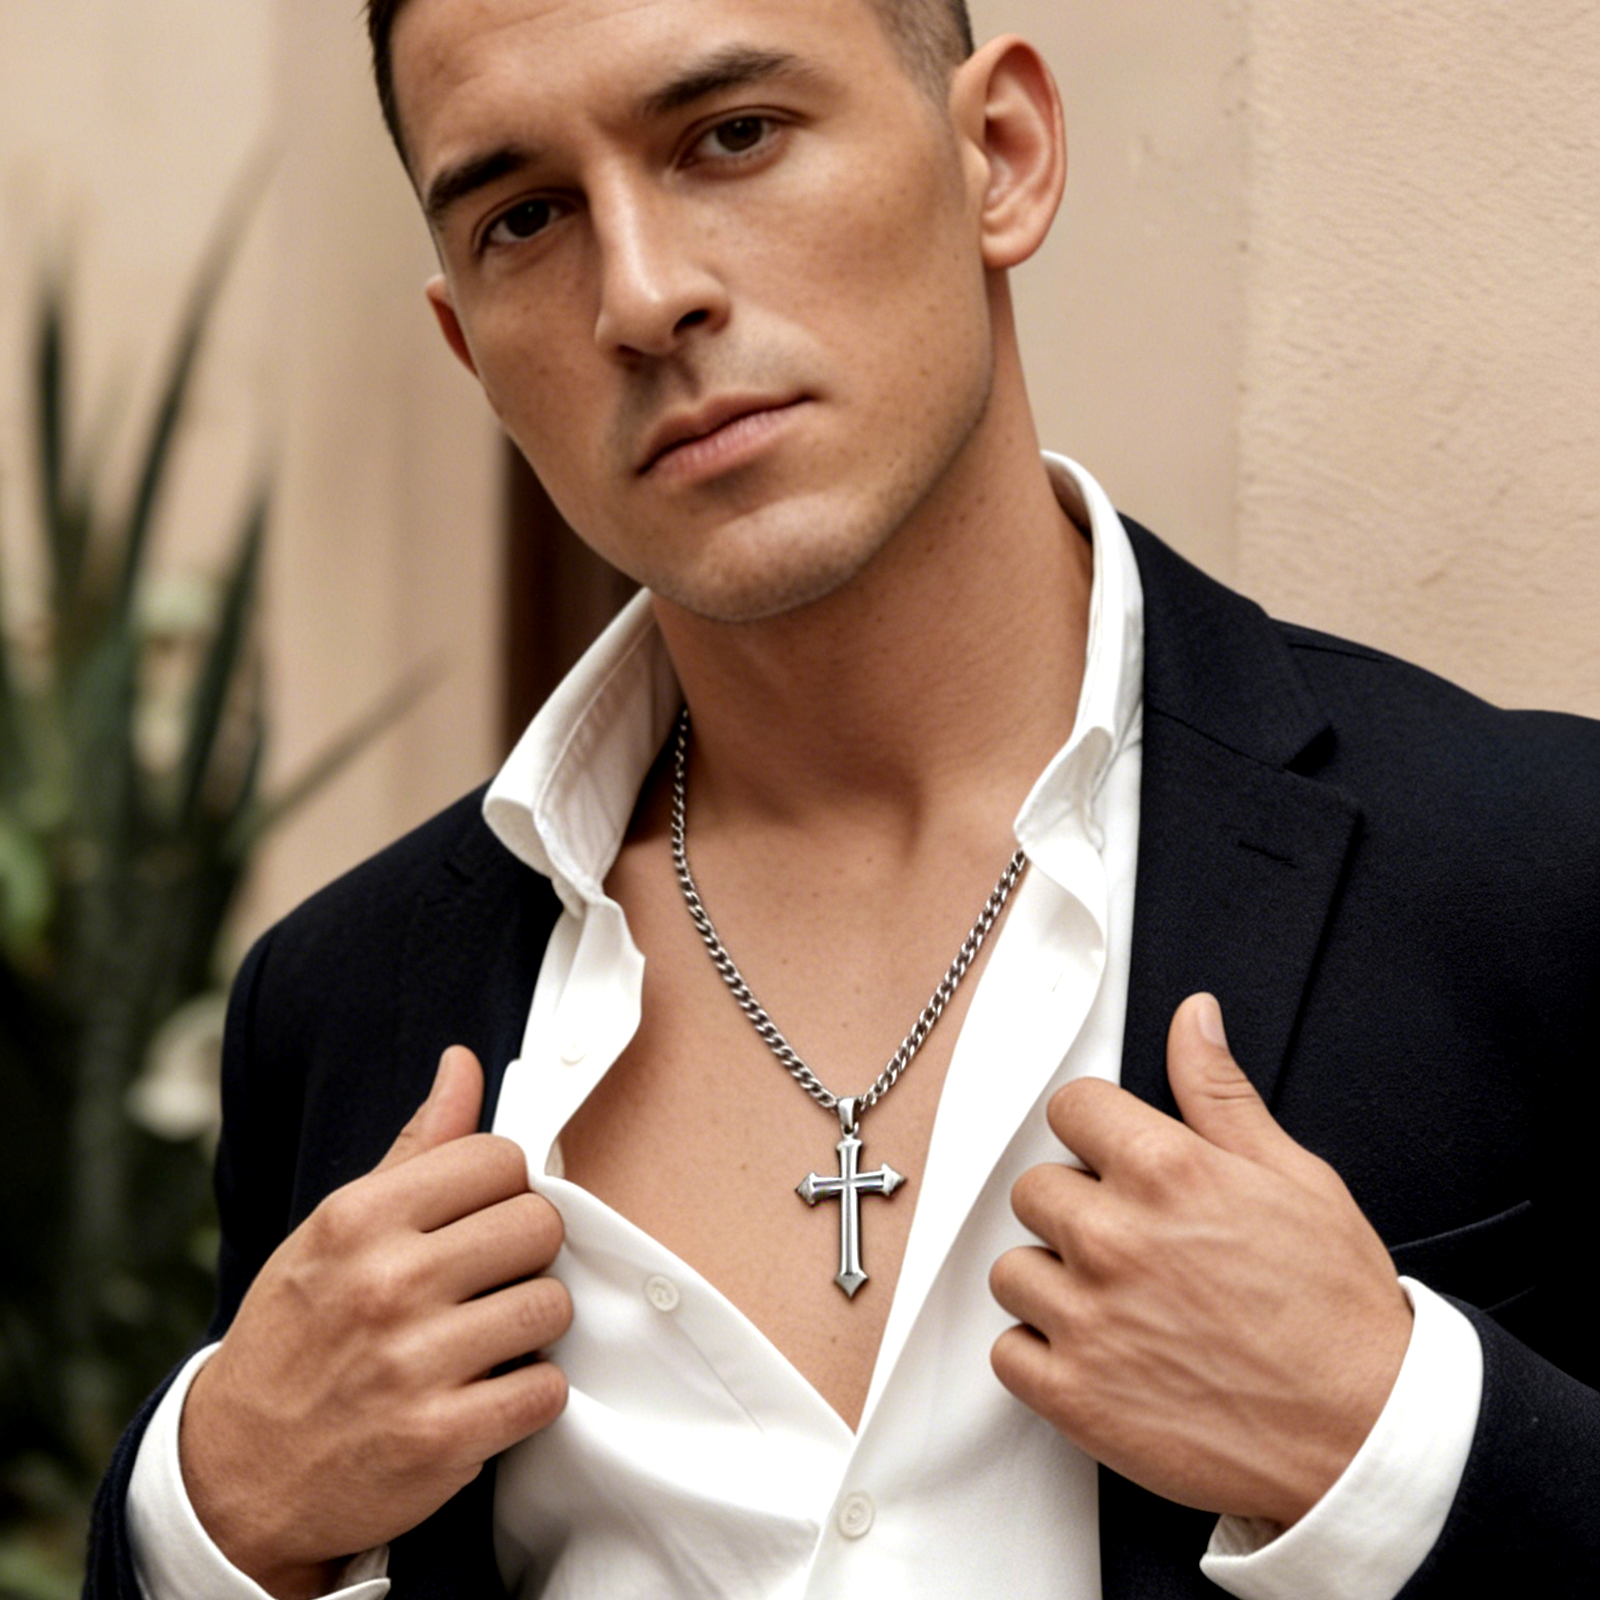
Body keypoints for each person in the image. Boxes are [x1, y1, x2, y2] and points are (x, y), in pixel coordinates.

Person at [87, 0, 1600, 1595]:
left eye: (731, 136)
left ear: (1000, 155)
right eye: (523, 218)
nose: (642, 296)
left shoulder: (1530, 870)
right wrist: (215, 1512)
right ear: (469, 345)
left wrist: (1399, 1442)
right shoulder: (337, 1003)